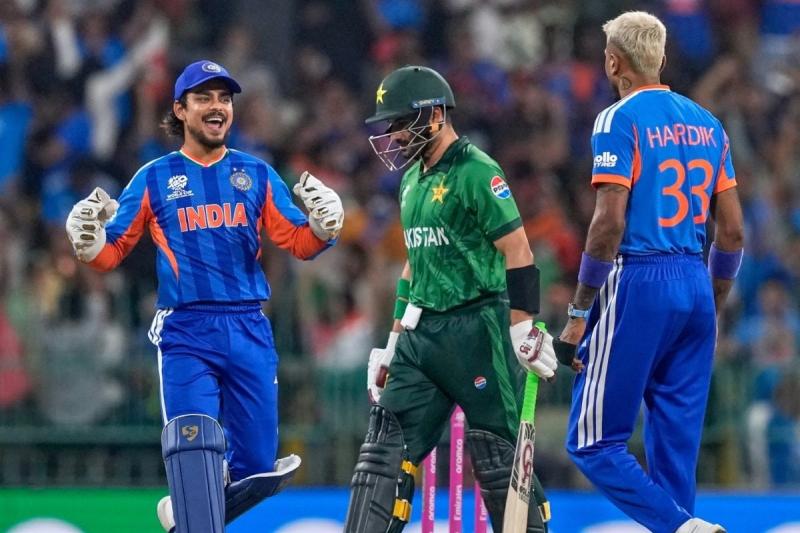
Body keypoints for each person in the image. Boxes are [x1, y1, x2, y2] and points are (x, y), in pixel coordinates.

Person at [64, 60, 344, 533]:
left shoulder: (256, 173)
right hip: (186, 330)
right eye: (204, 98)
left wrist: (323, 227)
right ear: (180, 109)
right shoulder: (153, 178)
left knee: (256, 469)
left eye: (224, 98)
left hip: (249, 327)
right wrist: (88, 245)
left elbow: (299, 242)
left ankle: (188, 515)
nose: (217, 107)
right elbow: (111, 252)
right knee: (193, 450)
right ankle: (194, 503)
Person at [553, 12, 744, 533]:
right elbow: (731, 233)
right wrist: (712, 305)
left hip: (639, 278)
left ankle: (681, 527)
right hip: (695, 282)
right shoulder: (709, 124)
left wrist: (579, 313)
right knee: (674, 456)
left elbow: (607, 224)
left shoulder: (617, 119)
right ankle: (683, 523)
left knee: (592, 441)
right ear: (661, 58)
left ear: (613, 62)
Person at [344, 65, 557, 533]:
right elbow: (413, 265)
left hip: (476, 330)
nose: (395, 136)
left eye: (403, 123)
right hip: (421, 337)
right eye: (392, 125)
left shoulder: (477, 171)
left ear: (436, 115)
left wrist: (522, 324)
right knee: (382, 454)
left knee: (499, 459)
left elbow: (518, 249)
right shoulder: (410, 180)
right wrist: (393, 342)